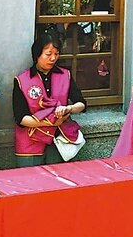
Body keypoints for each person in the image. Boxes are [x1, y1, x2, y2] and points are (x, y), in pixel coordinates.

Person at [13, 33, 86, 166]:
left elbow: (81, 103)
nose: (53, 58)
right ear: (37, 54)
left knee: (58, 176)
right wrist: (51, 122)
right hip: (30, 142)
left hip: (58, 141)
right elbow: (20, 117)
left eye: (56, 54)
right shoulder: (22, 79)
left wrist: (69, 108)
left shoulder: (65, 75)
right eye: (48, 54)